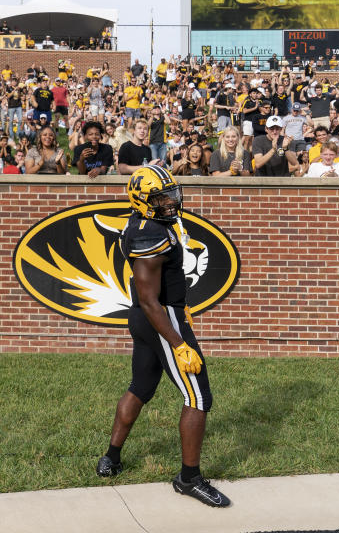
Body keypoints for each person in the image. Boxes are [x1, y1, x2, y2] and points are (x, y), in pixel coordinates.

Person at [96, 165, 230, 509]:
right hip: (158, 318)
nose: (170, 202)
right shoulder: (147, 233)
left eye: (170, 194)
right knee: (199, 397)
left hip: (148, 317)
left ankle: (111, 457)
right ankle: (189, 478)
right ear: (142, 200)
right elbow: (149, 299)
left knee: (140, 388)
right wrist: (178, 342)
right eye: (160, 197)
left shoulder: (149, 225)